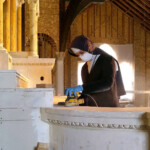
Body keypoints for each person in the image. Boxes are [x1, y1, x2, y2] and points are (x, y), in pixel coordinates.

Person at [65, 35, 126, 107]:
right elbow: (89, 90)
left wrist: (82, 87)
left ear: (90, 46)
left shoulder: (107, 59)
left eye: (81, 53)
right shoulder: (84, 68)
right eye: (77, 55)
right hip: (93, 108)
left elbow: (107, 83)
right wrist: (76, 100)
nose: (80, 57)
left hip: (108, 107)